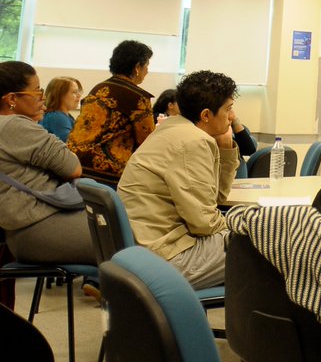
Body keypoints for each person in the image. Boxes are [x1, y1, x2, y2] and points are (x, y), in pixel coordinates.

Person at [118, 70, 239, 289]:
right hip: (167, 259)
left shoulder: (171, 129)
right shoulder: (193, 141)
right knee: (269, 241)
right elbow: (204, 223)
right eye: (228, 109)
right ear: (206, 115)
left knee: (260, 237)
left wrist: (226, 147)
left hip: (141, 253)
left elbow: (215, 198)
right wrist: (243, 224)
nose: (232, 116)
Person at [0, 61, 92, 265]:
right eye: (36, 91)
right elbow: (73, 167)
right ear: (12, 99)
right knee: (125, 238)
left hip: (25, 229)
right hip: (39, 226)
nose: (42, 97)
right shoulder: (14, 125)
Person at [67, 40, 156, 185]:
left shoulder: (97, 89)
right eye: (146, 65)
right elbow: (147, 142)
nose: (147, 71)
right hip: (106, 174)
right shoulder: (138, 97)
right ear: (137, 67)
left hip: (74, 165)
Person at [39, 76, 82, 142]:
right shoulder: (56, 117)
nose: (79, 96)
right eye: (74, 92)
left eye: (78, 92)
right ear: (59, 95)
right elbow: (71, 144)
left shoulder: (64, 116)